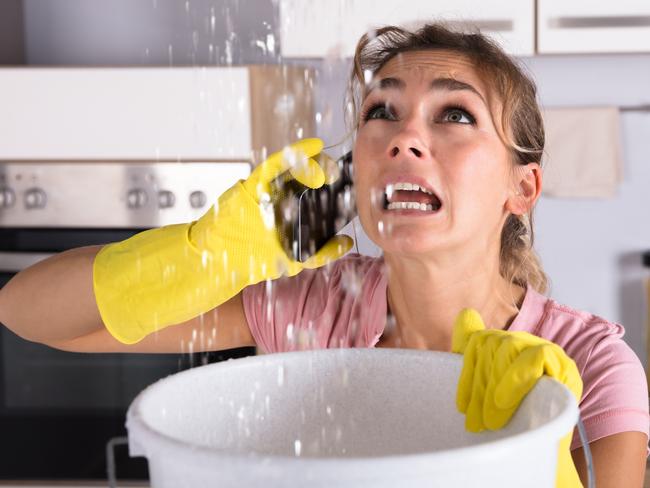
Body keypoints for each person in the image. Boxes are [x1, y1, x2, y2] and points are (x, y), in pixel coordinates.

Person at [0, 22, 647, 487]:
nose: (405, 137)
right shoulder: (312, 305)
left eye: (454, 115)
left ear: (522, 187)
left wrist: (541, 436)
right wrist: (201, 257)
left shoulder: (589, 366)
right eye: (381, 111)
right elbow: (29, 312)